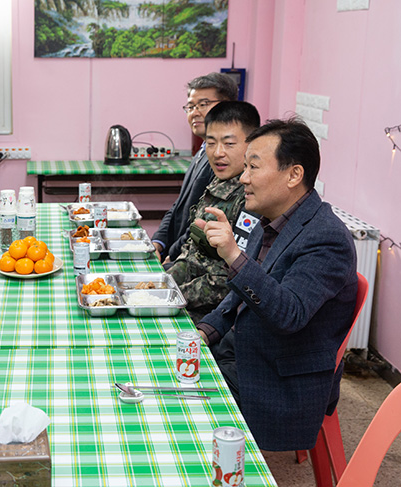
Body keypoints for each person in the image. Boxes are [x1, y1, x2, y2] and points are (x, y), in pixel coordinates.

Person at [195, 118, 358, 451]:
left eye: (253, 167)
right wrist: (204, 332)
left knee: (172, 401)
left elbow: (290, 314)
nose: (243, 178)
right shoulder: (269, 219)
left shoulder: (326, 238)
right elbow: (237, 298)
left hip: (273, 379)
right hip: (239, 353)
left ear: (294, 175)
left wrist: (232, 254)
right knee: (159, 367)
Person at [167, 101, 260, 323]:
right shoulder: (218, 182)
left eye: (229, 144)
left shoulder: (252, 198)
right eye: (210, 143)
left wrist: (171, 295)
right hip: (186, 301)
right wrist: (163, 282)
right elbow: (192, 255)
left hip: (212, 318)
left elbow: (230, 281)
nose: (218, 153)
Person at [151, 72, 238, 265]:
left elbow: (201, 222)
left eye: (203, 104)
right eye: (190, 106)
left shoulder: (225, 161)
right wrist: (157, 242)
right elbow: (179, 206)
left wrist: (171, 256)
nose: (195, 112)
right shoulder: (202, 150)